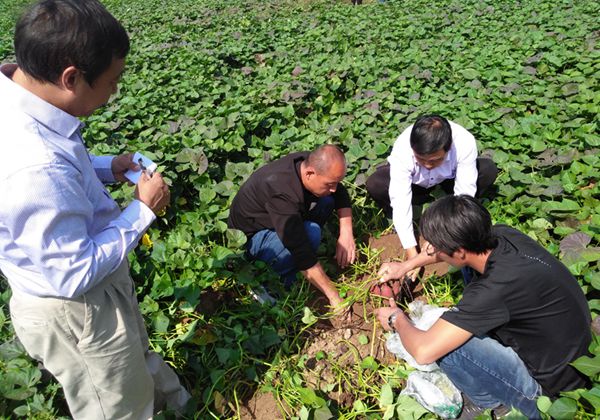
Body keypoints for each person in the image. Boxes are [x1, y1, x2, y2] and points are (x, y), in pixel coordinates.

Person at [0, 1, 190, 418]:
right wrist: (142, 210)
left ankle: (178, 407)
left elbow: (59, 168)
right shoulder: (34, 166)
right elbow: (73, 273)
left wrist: (106, 167)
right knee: (117, 405)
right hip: (76, 308)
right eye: (112, 81)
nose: (114, 92)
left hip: (90, 289)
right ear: (71, 78)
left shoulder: (19, 94)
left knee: (137, 361)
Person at [374, 195, 591, 419]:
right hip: (573, 360)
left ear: (459, 252)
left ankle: (498, 406)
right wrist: (407, 265)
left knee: (446, 344)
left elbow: (423, 352)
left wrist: (396, 318)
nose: (431, 251)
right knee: (460, 309)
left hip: (550, 395)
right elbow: (460, 251)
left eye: (436, 247)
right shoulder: (502, 235)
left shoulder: (494, 289)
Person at [365, 115, 498, 280]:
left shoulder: (463, 142)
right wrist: (412, 253)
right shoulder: (403, 147)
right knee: (376, 183)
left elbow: (464, 192)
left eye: (435, 160)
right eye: (420, 159)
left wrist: (443, 232)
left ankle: (443, 201)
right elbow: (400, 198)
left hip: (448, 180)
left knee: (487, 170)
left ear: (448, 148)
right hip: (416, 184)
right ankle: (418, 202)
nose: (428, 165)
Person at [228, 145, 356, 313]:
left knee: (327, 200)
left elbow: (340, 193)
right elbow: (301, 250)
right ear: (310, 174)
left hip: (275, 220)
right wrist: (334, 296)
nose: (334, 188)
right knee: (311, 233)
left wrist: (346, 233)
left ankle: (298, 265)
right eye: (330, 184)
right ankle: (265, 283)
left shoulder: (308, 163)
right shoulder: (281, 191)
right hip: (249, 242)